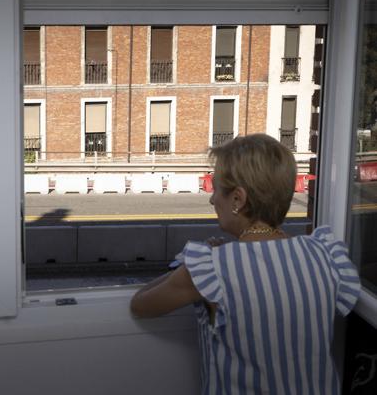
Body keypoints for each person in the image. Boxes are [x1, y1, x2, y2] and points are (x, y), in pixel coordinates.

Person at [130, 133, 361, 395]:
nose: (212, 199)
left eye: (215, 188)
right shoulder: (325, 255)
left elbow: (140, 304)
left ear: (238, 199)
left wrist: (192, 265)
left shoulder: (213, 267)